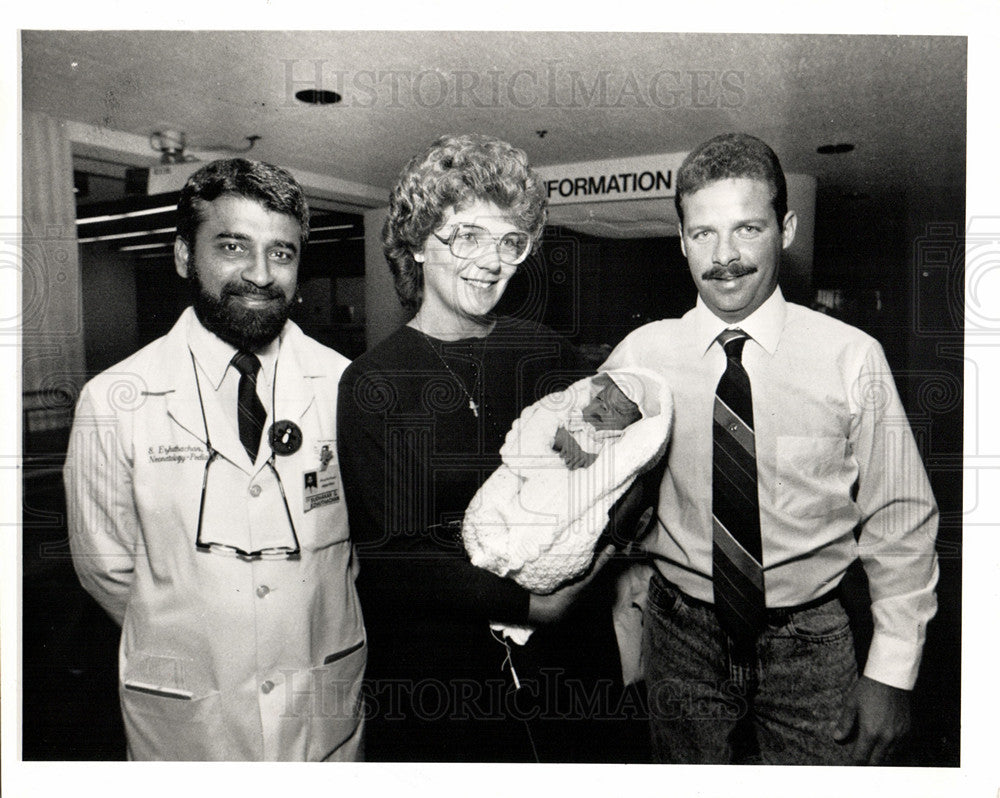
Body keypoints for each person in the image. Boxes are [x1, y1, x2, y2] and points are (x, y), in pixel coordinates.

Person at [602, 132, 939, 765]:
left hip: (811, 640)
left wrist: (892, 670)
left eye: (746, 228)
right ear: (681, 241)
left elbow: (900, 521)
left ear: (784, 229)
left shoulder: (851, 357)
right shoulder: (642, 356)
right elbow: (573, 460)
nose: (724, 256)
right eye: (703, 234)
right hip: (680, 634)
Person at [337, 134, 632, 762]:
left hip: (566, 664)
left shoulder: (546, 353)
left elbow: (608, 476)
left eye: (509, 242)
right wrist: (531, 604)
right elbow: (395, 556)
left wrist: (601, 545)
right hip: (441, 676)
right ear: (418, 243)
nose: (491, 261)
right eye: (466, 236)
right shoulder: (373, 382)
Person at [64, 158, 365, 761]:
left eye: (281, 253)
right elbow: (106, 569)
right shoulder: (115, 399)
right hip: (186, 714)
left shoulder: (345, 385)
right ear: (183, 256)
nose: (260, 274)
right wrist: (206, 624)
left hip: (320, 697)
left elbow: (361, 553)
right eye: (233, 246)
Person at [462, 367, 670, 595]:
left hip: (570, 496)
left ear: (628, 427)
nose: (603, 407)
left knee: (552, 532)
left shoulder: (614, 445)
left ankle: (524, 560)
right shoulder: (576, 420)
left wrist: (590, 459)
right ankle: (496, 544)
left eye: (617, 411)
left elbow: (608, 473)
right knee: (514, 505)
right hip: (541, 479)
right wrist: (566, 441)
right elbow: (551, 429)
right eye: (600, 399)